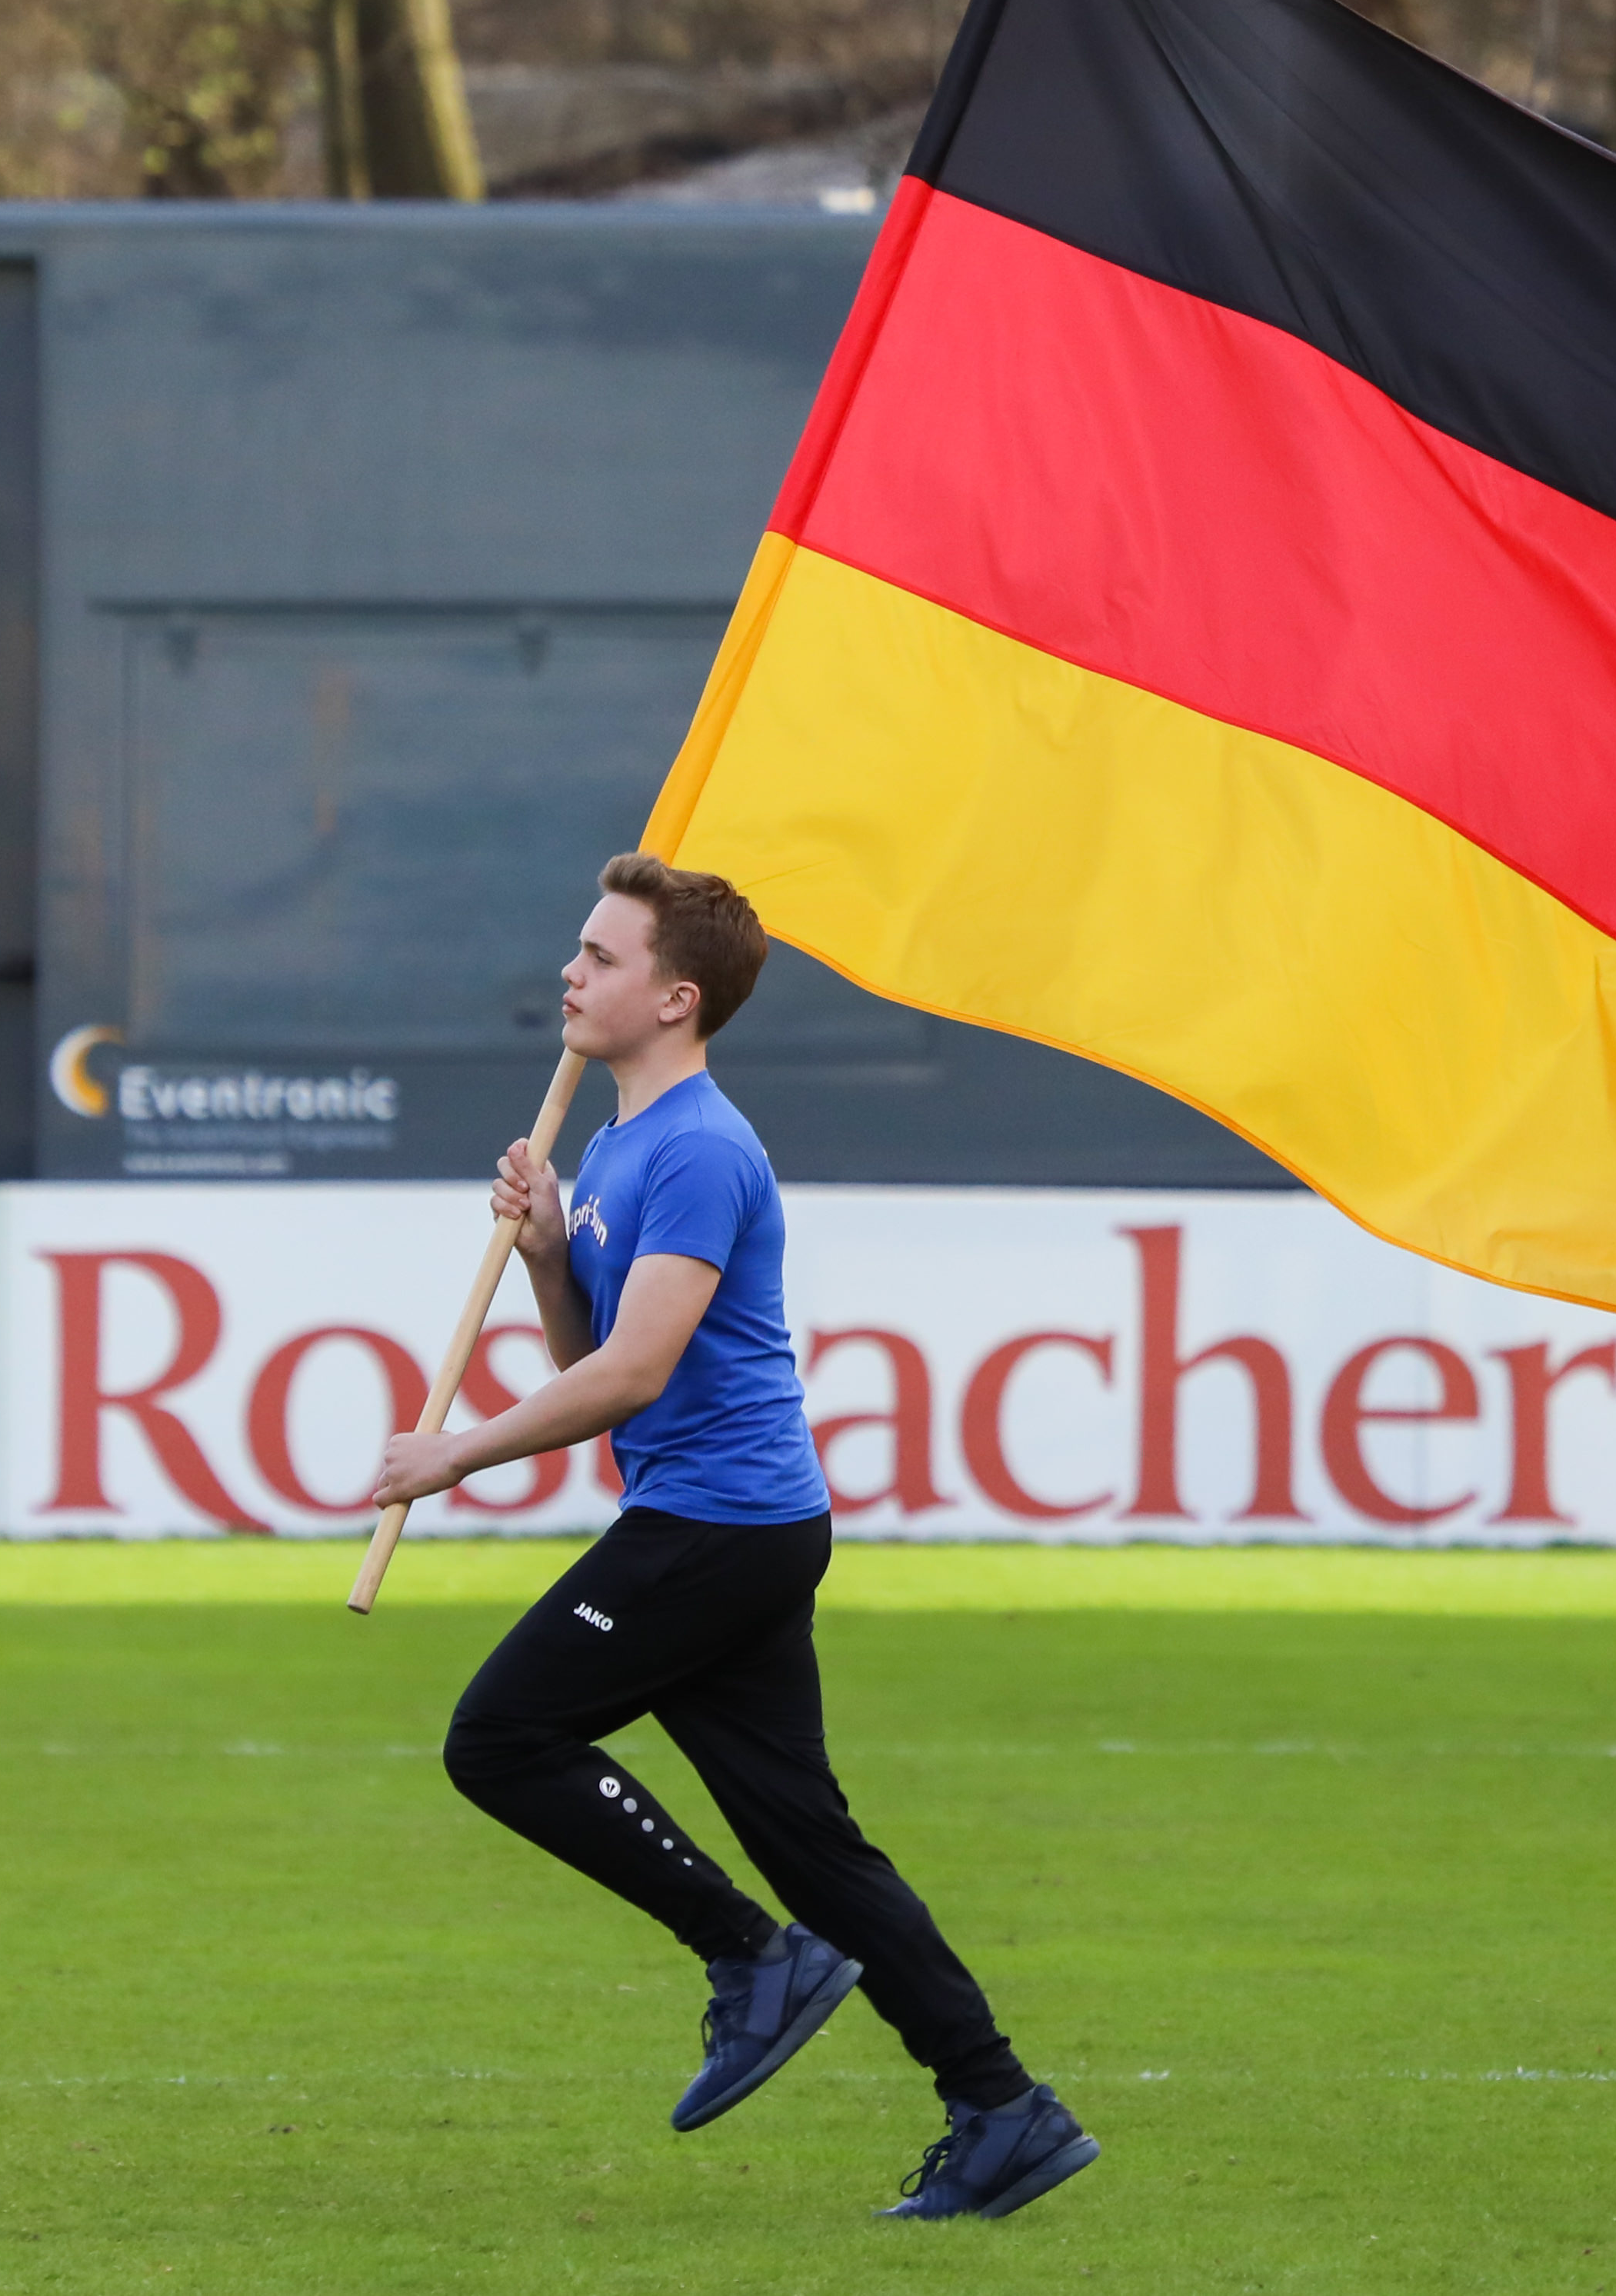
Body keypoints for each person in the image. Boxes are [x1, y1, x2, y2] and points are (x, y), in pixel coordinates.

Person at [362, 853, 1099, 2224]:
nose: (571, 973)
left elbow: (635, 1375)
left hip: (716, 1528)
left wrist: (456, 1451)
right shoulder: (621, 1150)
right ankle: (1005, 2111)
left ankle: (751, 1956)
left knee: (501, 1738)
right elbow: (593, 1360)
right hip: (732, 1526)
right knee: (816, 1848)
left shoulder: (700, 1149)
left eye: (601, 956)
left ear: (675, 998)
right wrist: (546, 1253)